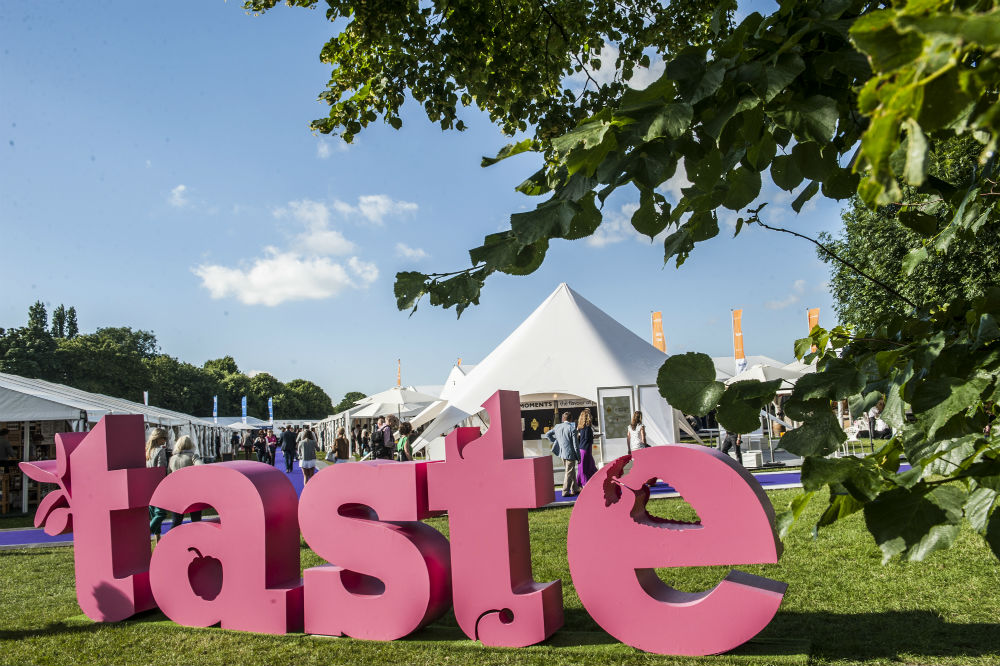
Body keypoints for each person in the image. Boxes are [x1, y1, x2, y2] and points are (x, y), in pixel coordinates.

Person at [167, 435, 205, 529]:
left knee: (176, 522)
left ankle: (172, 541)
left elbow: (169, 476)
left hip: (177, 493)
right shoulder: (193, 456)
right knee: (196, 521)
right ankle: (197, 542)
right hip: (192, 492)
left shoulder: (172, 459)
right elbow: (202, 467)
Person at [545, 412, 580, 497]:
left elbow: (547, 434)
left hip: (562, 453)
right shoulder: (572, 429)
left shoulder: (557, 426)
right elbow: (576, 445)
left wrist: (556, 441)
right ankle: (565, 491)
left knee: (571, 471)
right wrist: (579, 457)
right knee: (569, 472)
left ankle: (575, 488)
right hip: (570, 454)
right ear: (571, 419)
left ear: (562, 419)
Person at [145, 428, 171, 543]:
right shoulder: (160, 451)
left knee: (153, 513)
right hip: (158, 485)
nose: (165, 441)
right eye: (164, 438)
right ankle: (145, 534)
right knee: (160, 513)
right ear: (158, 438)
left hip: (148, 484)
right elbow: (162, 469)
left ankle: (157, 540)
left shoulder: (147, 451)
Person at [576, 409, 597, 487]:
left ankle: (579, 483)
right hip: (586, 449)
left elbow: (581, 438)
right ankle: (584, 484)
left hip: (582, 449)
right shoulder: (587, 428)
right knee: (587, 467)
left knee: (582, 467)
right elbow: (587, 439)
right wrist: (593, 437)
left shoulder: (580, 427)